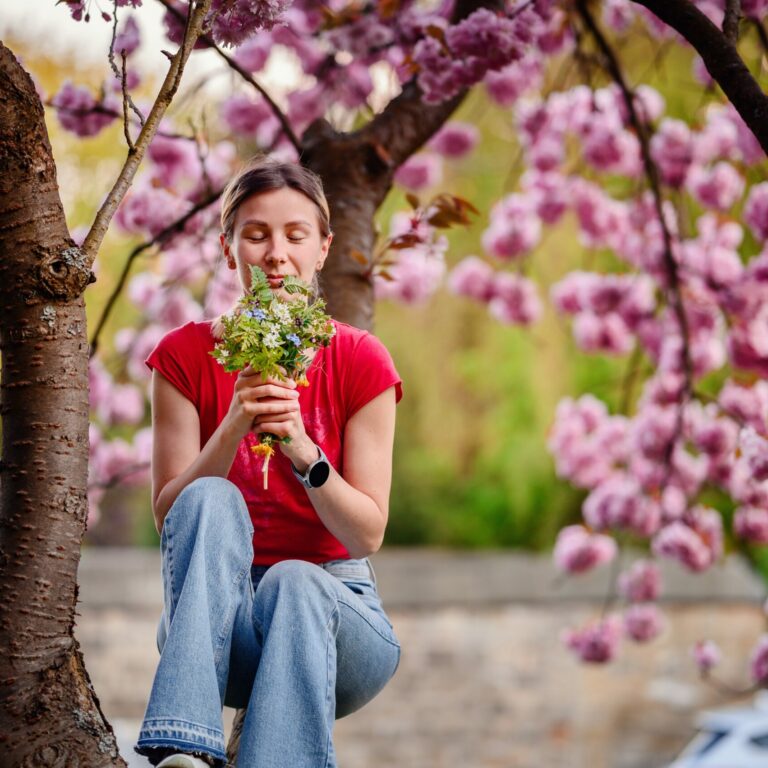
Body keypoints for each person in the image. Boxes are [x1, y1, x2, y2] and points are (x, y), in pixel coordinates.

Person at [134, 158, 403, 768]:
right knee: (208, 496)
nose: (276, 254)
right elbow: (171, 519)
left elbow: (367, 534)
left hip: (338, 619)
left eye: (295, 235)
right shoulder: (183, 355)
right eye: (256, 235)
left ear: (323, 248)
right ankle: (183, 748)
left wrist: (302, 448)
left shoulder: (361, 359)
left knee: (294, 581)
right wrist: (236, 421)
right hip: (212, 629)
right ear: (228, 249)